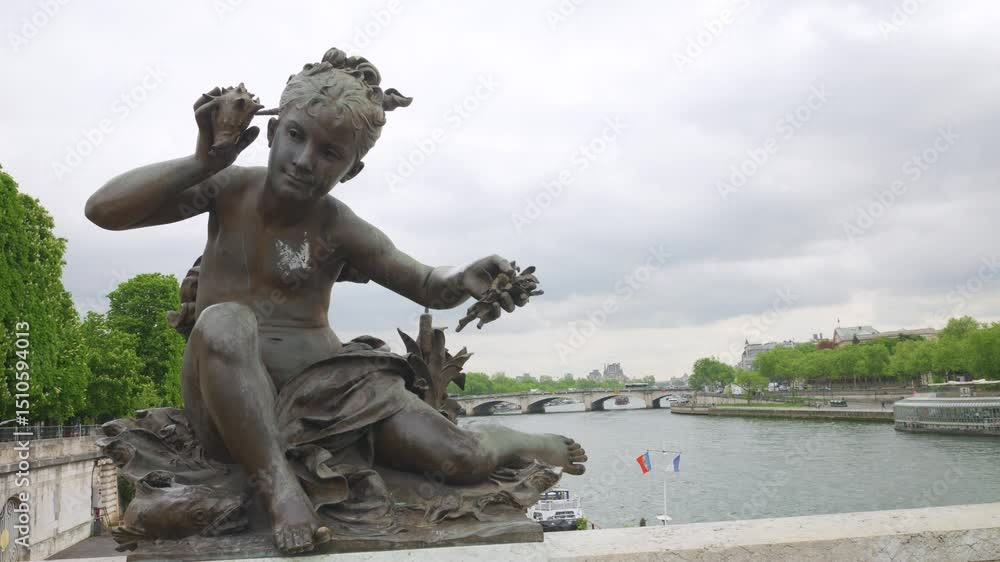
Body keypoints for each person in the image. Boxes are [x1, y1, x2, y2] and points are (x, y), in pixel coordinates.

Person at [86, 48, 587, 555]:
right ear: (275, 129)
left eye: (330, 153)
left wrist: (465, 275)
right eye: (297, 136)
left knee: (460, 458)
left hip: (335, 394)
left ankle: (521, 440)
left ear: (352, 169)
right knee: (225, 322)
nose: (304, 162)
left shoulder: (338, 227)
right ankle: (279, 488)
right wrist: (202, 161)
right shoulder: (225, 188)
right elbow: (103, 211)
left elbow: (426, 282)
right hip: (225, 396)